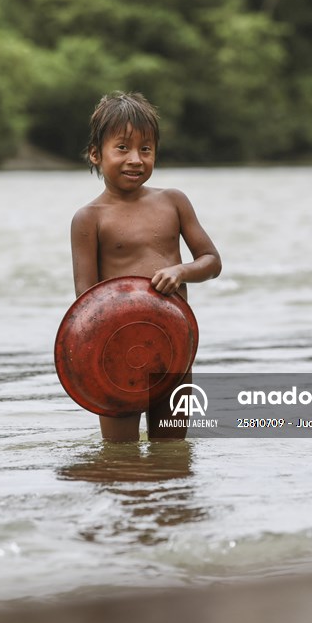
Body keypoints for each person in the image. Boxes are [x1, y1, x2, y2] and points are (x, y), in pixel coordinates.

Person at [70, 91, 222, 441]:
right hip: (116, 354)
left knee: (172, 450)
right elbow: (85, 299)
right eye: (122, 148)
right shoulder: (88, 219)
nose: (135, 159)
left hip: (173, 349)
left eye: (146, 149)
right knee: (118, 454)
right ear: (96, 154)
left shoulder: (173, 202)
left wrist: (181, 271)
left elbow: (212, 261)